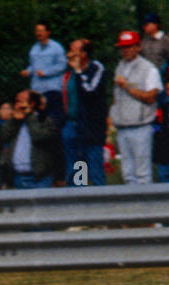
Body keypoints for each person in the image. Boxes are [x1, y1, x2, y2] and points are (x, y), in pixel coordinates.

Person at [110, 30, 162, 185]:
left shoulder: (149, 68)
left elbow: (152, 97)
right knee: (127, 174)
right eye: (122, 47)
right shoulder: (120, 67)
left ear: (138, 47)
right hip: (122, 126)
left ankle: (147, 208)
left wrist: (127, 87)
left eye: (129, 46)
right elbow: (116, 98)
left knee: (142, 174)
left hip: (141, 126)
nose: (125, 50)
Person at [64, 37, 109, 186]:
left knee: (95, 168)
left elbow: (89, 91)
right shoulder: (68, 72)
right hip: (74, 126)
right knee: (78, 168)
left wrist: (78, 71)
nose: (69, 55)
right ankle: (78, 197)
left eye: (73, 51)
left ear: (84, 54)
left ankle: (101, 202)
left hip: (92, 128)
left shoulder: (95, 68)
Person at [0, 91, 57, 188]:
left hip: (40, 178)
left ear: (32, 103)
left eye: (21, 101)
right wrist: (14, 121)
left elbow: (38, 136)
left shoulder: (45, 120)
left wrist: (29, 116)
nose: (17, 105)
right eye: (16, 102)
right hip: (18, 177)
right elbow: (4, 137)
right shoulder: (15, 121)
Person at [23, 21, 67, 122]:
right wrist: (28, 71)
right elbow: (33, 65)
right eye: (37, 31)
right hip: (37, 90)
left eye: (41, 31)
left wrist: (46, 72)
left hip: (52, 90)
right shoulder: (34, 48)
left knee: (53, 119)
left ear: (48, 32)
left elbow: (62, 65)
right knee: (39, 119)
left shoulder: (56, 47)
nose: (38, 33)